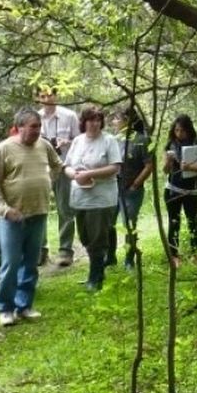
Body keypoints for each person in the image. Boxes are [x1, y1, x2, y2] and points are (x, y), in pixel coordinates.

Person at [0, 106, 62, 326]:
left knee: (30, 262)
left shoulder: (44, 145)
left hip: (38, 212)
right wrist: (4, 209)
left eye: (39, 126)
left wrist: (48, 182)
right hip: (12, 216)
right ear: (19, 128)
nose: (38, 131)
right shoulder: (5, 149)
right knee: (10, 262)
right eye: (33, 126)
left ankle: (24, 305)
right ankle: (5, 308)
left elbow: (57, 165)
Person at [63, 105, 123, 291]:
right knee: (86, 237)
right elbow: (67, 166)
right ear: (84, 122)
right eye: (91, 120)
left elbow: (115, 167)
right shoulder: (78, 141)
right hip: (80, 197)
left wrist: (91, 174)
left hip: (102, 198)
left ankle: (95, 277)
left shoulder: (108, 140)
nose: (94, 124)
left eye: (98, 120)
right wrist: (74, 174)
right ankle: (97, 271)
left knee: (98, 239)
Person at [36, 85, 79, 267]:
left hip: (63, 166)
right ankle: (40, 250)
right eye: (43, 95)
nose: (47, 98)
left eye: (50, 94)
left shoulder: (69, 116)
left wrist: (66, 142)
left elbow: (79, 142)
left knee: (65, 209)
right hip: (41, 168)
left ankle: (65, 250)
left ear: (56, 95)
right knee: (39, 209)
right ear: (38, 96)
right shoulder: (35, 117)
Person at [162, 113, 197, 266]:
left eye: (182, 130)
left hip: (192, 191)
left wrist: (190, 167)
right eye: (176, 130)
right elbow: (165, 171)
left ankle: (196, 253)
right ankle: (174, 255)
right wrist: (169, 162)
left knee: (194, 222)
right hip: (173, 189)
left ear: (189, 130)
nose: (179, 134)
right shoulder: (170, 144)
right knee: (174, 222)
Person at [113, 105, 154, 271]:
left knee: (129, 224)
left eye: (117, 118)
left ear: (127, 120)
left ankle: (129, 258)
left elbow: (149, 165)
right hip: (113, 188)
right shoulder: (114, 140)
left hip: (131, 190)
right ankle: (110, 256)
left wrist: (136, 184)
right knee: (109, 223)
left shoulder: (141, 140)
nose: (114, 121)